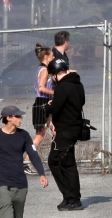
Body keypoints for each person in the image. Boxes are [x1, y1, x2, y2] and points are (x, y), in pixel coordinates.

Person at [0, 106, 48, 218]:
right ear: (8, 118)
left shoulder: (24, 135)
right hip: (3, 184)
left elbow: (33, 155)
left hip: (21, 184)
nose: (21, 118)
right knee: (6, 213)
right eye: (17, 116)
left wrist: (41, 173)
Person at [45, 58, 85, 211]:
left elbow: (55, 108)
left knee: (68, 164)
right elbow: (80, 102)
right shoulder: (78, 84)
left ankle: (74, 199)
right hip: (72, 127)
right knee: (54, 160)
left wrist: (48, 107)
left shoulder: (63, 87)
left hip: (66, 130)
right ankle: (68, 196)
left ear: (54, 74)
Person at [25, 44, 55, 176]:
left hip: (45, 102)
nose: (54, 57)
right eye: (52, 56)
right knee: (40, 135)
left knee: (54, 128)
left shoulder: (43, 69)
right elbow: (42, 88)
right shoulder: (44, 70)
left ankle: (58, 157)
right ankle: (26, 160)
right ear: (47, 57)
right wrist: (55, 92)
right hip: (42, 102)